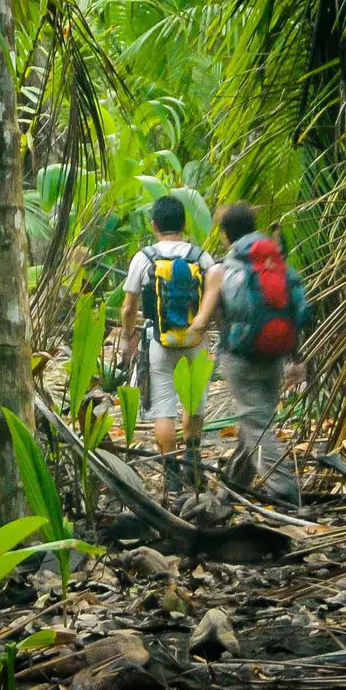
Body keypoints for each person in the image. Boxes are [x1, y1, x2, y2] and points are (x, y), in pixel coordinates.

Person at [190, 201, 311, 506]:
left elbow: (205, 319)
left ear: (224, 234)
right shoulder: (277, 262)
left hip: (240, 356)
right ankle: (232, 484)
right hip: (276, 353)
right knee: (257, 419)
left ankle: (283, 487)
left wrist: (190, 333)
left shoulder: (222, 268)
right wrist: (296, 359)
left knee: (256, 424)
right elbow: (296, 308)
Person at [118, 195, 215, 494]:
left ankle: (171, 471)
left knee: (163, 408)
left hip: (158, 342)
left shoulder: (144, 258)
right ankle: (193, 459)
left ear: (154, 225)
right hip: (194, 340)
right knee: (192, 401)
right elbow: (214, 298)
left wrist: (127, 336)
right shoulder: (201, 257)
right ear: (184, 224)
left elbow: (128, 307)